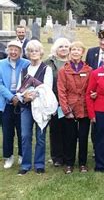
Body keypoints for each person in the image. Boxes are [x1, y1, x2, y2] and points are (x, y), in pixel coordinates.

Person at [17, 40, 53, 175]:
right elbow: (19, 89)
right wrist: (23, 96)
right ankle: (25, 165)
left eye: (36, 51)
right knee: (25, 135)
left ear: (40, 52)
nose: (33, 53)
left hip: (41, 106)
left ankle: (39, 164)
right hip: (26, 106)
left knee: (41, 136)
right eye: (31, 51)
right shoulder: (24, 69)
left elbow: (47, 88)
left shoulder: (46, 69)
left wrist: (34, 94)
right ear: (27, 53)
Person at [57, 41, 93, 174]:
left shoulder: (89, 70)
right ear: (70, 52)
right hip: (70, 107)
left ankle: (83, 163)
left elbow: (91, 89)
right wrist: (66, 110)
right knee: (69, 138)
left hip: (84, 107)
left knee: (83, 137)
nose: (76, 52)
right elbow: (61, 91)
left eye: (78, 50)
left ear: (82, 53)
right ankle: (69, 163)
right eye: (73, 50)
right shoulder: (63, 70)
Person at [0, 40, 30, 169]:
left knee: (22, 130)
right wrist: (11, 97)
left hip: (22, 102)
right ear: (7, 51)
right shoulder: (1, 64)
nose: (13, 52)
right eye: (11, 49)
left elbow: (29, 81)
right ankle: (8, 156)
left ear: (20, 52)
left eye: (16, 50)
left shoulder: (26, 64)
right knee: (7, 131)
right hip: (6, 103)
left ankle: (22, 155)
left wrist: (19, 96)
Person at [44, 37, 71, 167]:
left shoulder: (73, 62)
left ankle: (68, 155)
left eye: (66, 46)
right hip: (54, 100)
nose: (64, 49)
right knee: (55, 129)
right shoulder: (49, 63)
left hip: (69, 101)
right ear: (56, 49)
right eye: (61, 46)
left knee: (68, 129)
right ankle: (57, 157)